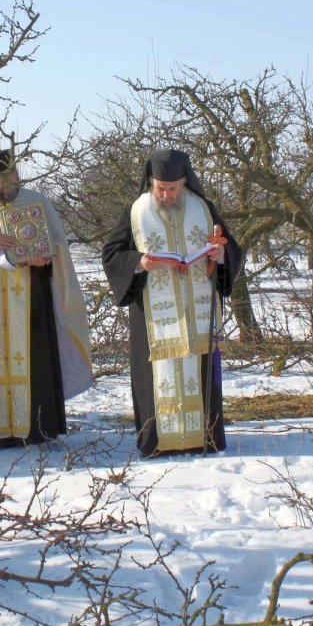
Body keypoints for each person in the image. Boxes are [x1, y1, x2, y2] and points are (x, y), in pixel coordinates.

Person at [0, 149, 92, 447]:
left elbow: (59, 250)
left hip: (33, 302)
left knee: (35, 360)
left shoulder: (38, 202)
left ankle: (38, 430)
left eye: (11, 176)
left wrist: (46, 259)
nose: (7, 183)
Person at [101, 149, 243, 457]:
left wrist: (221, 256)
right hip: (154, 318)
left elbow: (230, 249)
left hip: (196, 314)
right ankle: (158, 441)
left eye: (172, 189)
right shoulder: (135, 212)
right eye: (160, 188)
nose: (165, 195)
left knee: (200, 370)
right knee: (157, 375)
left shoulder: (204, 209)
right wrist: (139, 262)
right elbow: (112, 254)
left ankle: (204, 437)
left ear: (184, 183)